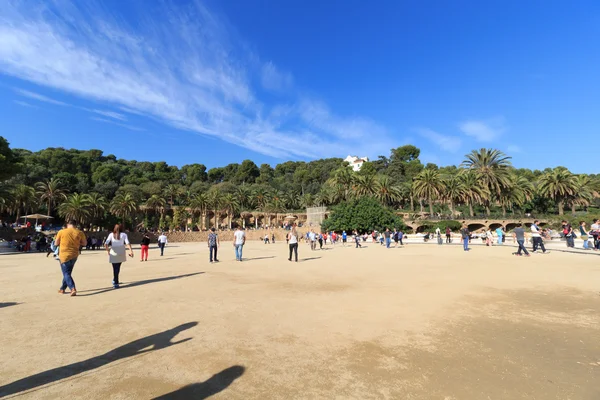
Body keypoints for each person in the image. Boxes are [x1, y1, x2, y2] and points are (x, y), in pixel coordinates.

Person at [54, 220, 87, 296]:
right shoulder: (80, 232)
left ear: (68, 224)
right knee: (68, 273)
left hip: (64, 255)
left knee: (66, 273)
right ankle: (62, 288)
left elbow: (56, 243)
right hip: (74, 255)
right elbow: (85, 243)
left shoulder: (61, 232)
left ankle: (72, 288)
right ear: (75, 225)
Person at [105, 224, 134, 289]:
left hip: (114, 251)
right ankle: (115, 280)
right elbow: (127, 243)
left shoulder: (111, 234)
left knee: (115, 268)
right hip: (121, 252)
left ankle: (115, 282)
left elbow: (106, 243)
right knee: (118, 267)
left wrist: (108, 251)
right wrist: (131, 251)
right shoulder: (124, 235)